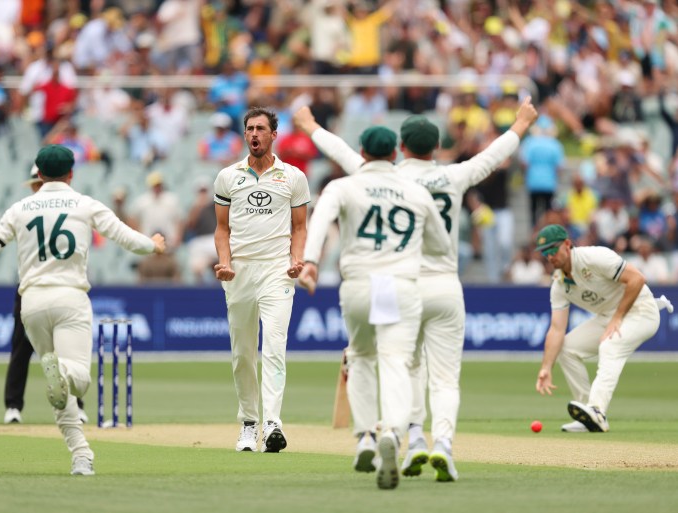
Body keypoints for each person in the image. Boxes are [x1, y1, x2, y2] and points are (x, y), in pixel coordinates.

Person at [293, 95, 538, 482]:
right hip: (441, 284)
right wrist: (521, 123)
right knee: (442, 377)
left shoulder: (386, 176)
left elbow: (342, 153)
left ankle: (411, 438)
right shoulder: (453, 176)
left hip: (397, 283)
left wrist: (310, 126)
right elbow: (491, 157)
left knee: (402, 365)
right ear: (437, 147)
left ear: (399, 149)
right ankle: (442, 445)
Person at [0, 145, 165, 475]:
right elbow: (127, 238)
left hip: (31, 303)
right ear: (71, 173)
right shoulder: (85, 204)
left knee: (59, 393)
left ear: (39, 175)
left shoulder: (20, 208)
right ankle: (61, 374)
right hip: (70, 298)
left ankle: (81, 455)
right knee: (79, 380)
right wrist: (154, 245)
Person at [298, 126, 450, 490]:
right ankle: (393, 432)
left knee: (362, 356)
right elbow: (442, 246)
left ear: (362, 151)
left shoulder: (343, 186)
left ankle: (365, 435)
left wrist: (310, 261)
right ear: (395, 153)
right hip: (400, 285)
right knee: (396, 360)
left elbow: (318, 219)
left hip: (359, 284)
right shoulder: (416, 191)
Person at [213, 107, 310, 454]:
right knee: (242, 354)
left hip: (276, 271)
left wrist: (297, 258)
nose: (253, 134)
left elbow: (300, 227)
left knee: (274, 347)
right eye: (249, 129)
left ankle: (272, 424)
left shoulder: (293, 177)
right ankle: (248, 423)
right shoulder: (228, 176)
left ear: (273, 135)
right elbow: (222, 229)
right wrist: (225, 262)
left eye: (260, 129)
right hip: (239, 272)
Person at [534, 224, 661, 433]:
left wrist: (617, 317)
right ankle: (587, 414)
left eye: (552, 250)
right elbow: (556, 329)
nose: (549, 257)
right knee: (566, 348)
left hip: (641, 311)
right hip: (609, 316)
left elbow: (638, 278)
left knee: (610, 346)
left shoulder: (594, 256)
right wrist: (546, 367)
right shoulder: (558, 284)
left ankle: (597, 411)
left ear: (567, 244)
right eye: (545, 253)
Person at [4, 166, 89, 425]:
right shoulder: (27, 210)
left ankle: (76, 406)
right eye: (34, 184)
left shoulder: (64, 208)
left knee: (67, 352)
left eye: (39, 183)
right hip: (34, 287)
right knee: (21, 348)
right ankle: (13, 406)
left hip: (59, 287)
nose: (36, 188)